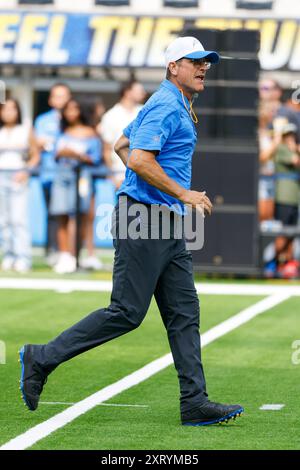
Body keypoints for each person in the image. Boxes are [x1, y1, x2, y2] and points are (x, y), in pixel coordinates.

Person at [19, 37, 244, 426]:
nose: (204, 66)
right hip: (145, 219)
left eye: (206, 61)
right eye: (196, 62)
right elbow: (138, 157)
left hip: (164, 220)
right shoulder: (165, 104)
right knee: (126, 312)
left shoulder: (172, 102)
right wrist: (181, 192)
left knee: (184, 313)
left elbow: (122, 144)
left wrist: (154, 189)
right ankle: (41, 357)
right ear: (173, 66)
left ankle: (194, 402)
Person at [49, 98, 102, 274]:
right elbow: (54, 154)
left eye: (74, 109)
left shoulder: (91, 133)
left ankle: (74, 254)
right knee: (61, 215)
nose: (71, 113)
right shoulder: (62, 132)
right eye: (68, 110)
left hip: (81, 177)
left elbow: (95, 158)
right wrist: (62, 153)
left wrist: (76, 155)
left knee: (77, 215)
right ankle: (64, 254)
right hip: (61, 175)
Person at [0, 99, 39, 272]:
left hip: (17, 177)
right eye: (5, 109)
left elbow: (35, 155)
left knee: (18, 219)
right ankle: (9, 255)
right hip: (1, 176)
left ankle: (23, 257)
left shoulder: (25, 130)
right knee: (3, 221)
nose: (9, 113)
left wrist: (26, 171)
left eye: (12, 109)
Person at [34, 83, 72, 264]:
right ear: (50, 99)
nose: (60, 100)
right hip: (49, 174)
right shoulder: (42, 120)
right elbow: (41, 143)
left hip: (69, 176)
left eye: (64, 95)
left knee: (69, 215)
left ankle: (70, 253)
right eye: (57, 96)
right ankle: (52, 251)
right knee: (52, 215)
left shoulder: (73, 120)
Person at [100, 80, 146, 189]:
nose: (144, 93)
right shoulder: (110, 116)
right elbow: (106, 150)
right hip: (120, 176)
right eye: (139, 90)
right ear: (127, 92)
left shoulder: (144, 111)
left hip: (144, 175)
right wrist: (113, 176)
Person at [274, 123, 300, 279]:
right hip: (283, 197)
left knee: (291, 234)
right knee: (282, 233)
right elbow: (296, 161)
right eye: (287, 135)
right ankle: (276, 262)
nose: (290, 138)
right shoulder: (282, 149)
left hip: (294, 198)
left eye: (292, 135)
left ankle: (288, 265)